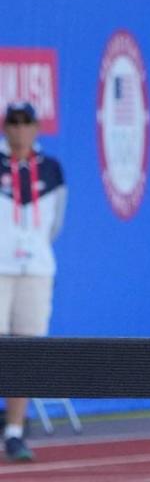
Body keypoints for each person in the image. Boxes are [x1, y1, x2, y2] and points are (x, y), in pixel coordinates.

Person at [0, 102, 67, 461]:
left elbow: (55, 225)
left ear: (36, 128)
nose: (20, 129)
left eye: (26, 123)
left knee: (25, 352)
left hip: (36, 270)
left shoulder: (52, 169)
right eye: (14, 123)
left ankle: (14, 430)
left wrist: (31, 250)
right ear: (5, 127)